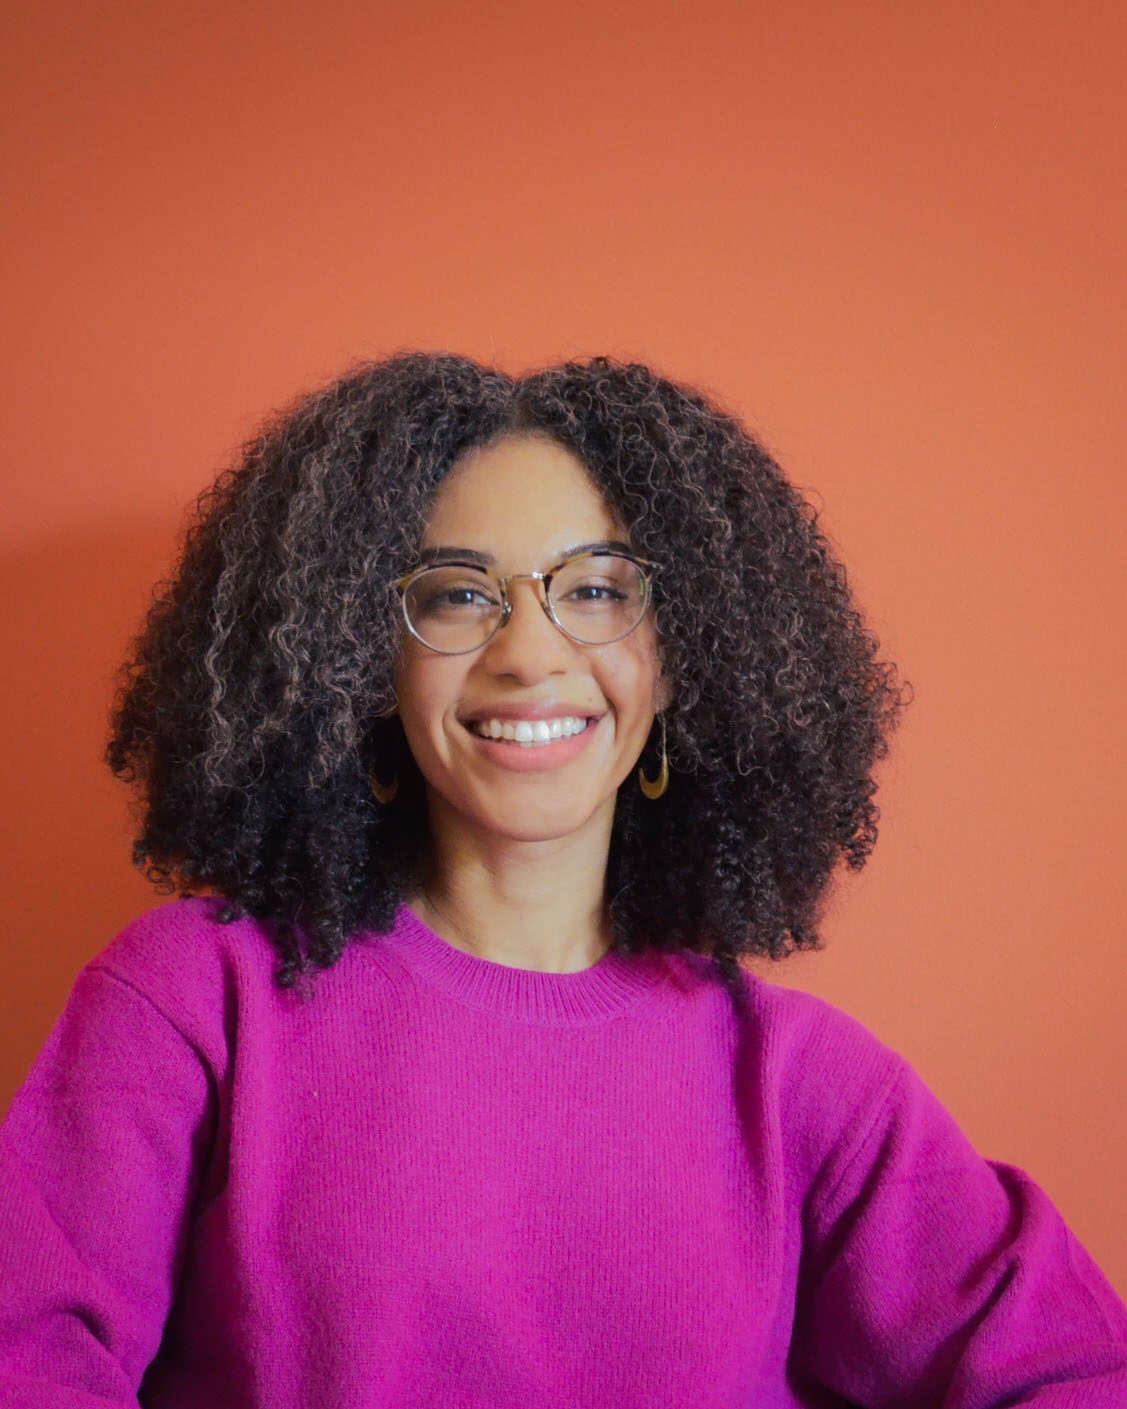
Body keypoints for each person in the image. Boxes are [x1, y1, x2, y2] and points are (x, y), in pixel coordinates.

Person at [1, 351, 1124, 1408]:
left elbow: (1075, 1370)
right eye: (454, 593)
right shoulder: (195, 996)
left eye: (595, 591)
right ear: (360, 654)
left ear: (687, 652)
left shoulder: (803, 1083)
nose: (529, 651)